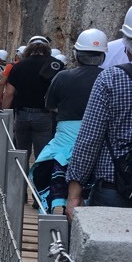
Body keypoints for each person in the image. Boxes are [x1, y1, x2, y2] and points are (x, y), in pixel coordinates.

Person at [31, 29, 107, 213]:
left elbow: (50, 105)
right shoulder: (108, 77)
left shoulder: (63, 77)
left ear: (76, 54)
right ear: (102, 56)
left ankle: (56, 205)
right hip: (99, 137)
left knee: (54, 168)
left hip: (66, 137)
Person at [67, 30, 132, 218]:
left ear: (127, 47)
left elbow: (90, 138)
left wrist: (74, 193)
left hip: (115, 184)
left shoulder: (112, 78)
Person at [1, 36, 54, 166]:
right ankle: (39, 185)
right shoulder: (53, 65)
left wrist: (4, 114)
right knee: (42, 155)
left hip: (22, 114)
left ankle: (18, 184)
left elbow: (9, 93)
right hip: (44, 114)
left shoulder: (18, 67)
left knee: (21, 153)